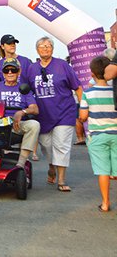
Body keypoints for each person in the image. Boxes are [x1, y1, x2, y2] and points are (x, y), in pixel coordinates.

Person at [26, 36, 82, 192]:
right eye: (42, 46)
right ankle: (52, 166)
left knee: (62, 146)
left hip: (64, 112)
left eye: (49, 46)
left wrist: (83, 107)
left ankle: (62, 180)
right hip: (43, 114)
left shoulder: (62, 65)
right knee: (47, 146)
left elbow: (77, 87)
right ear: (37, 49)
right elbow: (26, 90)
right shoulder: (31, 68)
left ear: (53, 49)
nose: (46, 48)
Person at [79, 56, 117, 212]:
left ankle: (105, 203)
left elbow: (83, 117)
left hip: (97, 135)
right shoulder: (114, 92)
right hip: (115, 133)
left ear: (92, 73)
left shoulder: (88, 93)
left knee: (102, 170)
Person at [0, 58, 40, 167]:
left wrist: (22, 112)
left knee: (34, 125)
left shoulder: (24, 88)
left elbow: (35, 109)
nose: (10, 73)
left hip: (16, 125)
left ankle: (20, 163)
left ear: (18, 72)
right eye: (7, 70)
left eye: (13, 70)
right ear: (3, 73)